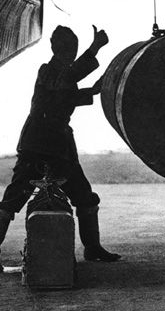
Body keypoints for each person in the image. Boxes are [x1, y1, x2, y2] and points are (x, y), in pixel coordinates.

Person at [0, 25, 121, 267]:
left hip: (57, 146)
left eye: (73, 50)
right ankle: (93, 248)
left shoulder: (60, 74)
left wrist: (93, 88)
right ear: (56, 50)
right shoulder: (48, 71)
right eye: (68, 50)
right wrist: (95, 49)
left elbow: (66, 92)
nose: (72, 55)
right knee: (13, 199)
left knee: (86, 198)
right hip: (39, 145)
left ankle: (93, 248)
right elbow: (66, 83)